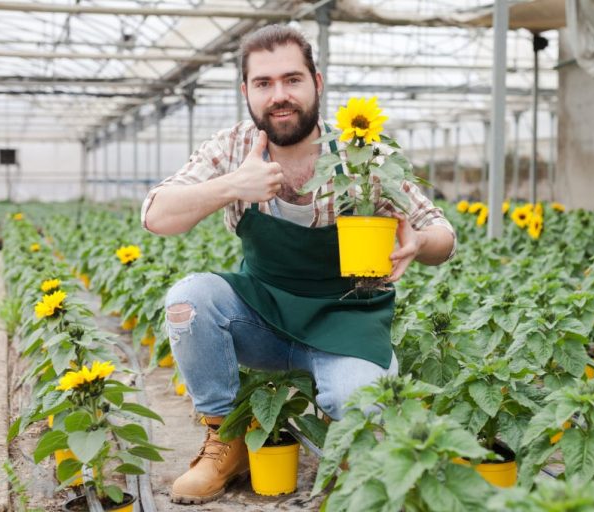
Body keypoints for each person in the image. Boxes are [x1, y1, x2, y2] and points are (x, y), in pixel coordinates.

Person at [141, 24, 456, 505]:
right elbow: (156, 214)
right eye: (264, 83)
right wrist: (232, 186)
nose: (279, 96)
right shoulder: (233, 148)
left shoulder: (365, 154)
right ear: (246, 91)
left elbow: (444, 236)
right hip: (263, 316)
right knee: (188, 299)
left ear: (317, 83)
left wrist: (419, 242)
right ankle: (227, 435)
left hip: (348, 320)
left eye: (292, 79)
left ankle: (347, 436)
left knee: (362, 410)